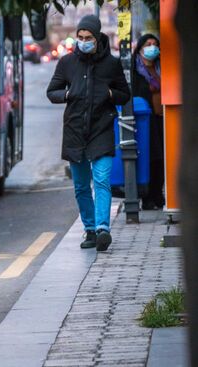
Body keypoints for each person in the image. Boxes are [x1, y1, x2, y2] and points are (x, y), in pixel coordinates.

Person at [46, 15, 130, 251]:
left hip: (101, 129)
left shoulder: (110, 64)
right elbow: (52, 91)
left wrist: (111, 94)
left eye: (88, 37)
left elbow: (125, 94)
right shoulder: (67, 63)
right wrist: (66, 94)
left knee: (102, 180)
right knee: (81, 186)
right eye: (80, 37)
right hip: (74, 131)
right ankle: (90, 230)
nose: (83, 41)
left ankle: (103, 228)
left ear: (97, 37)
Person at [132, 34, 164, 210]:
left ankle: (158, 195)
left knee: (163, 159)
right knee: (151, 158)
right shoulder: (136, 70)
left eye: (155, 44)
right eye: (148, 44)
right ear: (140, 48)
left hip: (163, 118)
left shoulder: (161, 67)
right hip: (146, 120)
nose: (152, 47)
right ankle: (148, 197)